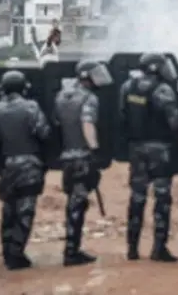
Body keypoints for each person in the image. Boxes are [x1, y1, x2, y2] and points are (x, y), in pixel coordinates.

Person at [0, 70, 50, 270]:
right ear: (24, 87)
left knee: (8, 209)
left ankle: (6, 250)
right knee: (25, 210)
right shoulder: (31, 107)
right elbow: (44, 132)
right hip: (29, 164)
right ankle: (16, 253)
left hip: (7, 165)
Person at [119, 53, 178, 262]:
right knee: (162, 198)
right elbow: (174, 122)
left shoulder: (128, 86)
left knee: (137, 197)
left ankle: (132, 248)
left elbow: (122, 115)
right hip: (159, 149)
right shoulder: (163, 90)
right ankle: (159, 248)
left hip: (136, 148)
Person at [53, 60, 112, 266]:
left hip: (67, 157)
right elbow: (87, 123)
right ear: (87, 76)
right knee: (78, 204)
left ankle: (72, 248)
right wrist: (94, 149)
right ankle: (71, 251)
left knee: (73, 202)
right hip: (82, 156)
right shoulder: (89, 98)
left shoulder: (62, 96)